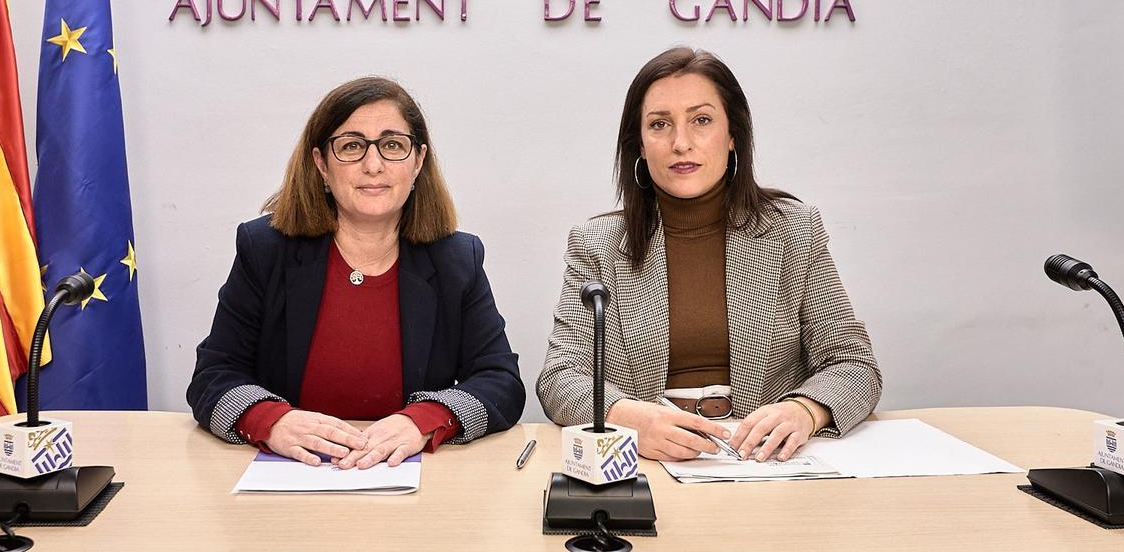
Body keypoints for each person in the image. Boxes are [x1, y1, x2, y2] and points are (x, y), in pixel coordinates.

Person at [537, 47, 881, 462]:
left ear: (733, 134)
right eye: (660, 124)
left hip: (765, 463)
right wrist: (625, 419)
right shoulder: (597, 242)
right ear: (640, 146)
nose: (681, 143)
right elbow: (560, 377)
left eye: (701, 120)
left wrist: (803, 411)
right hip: (648, 461)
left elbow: (854, 364)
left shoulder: (794, 230)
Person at [188, 77, 524, 468]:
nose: (373, 165)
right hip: (293, 476)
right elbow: (213, 375)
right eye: (351, 146)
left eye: (392, 145)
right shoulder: (266, 249)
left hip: (408, 479)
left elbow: (501, 382)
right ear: (321, 165)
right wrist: (270, 420)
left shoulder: (456, 258)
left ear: (418, 162)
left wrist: (426, 419)